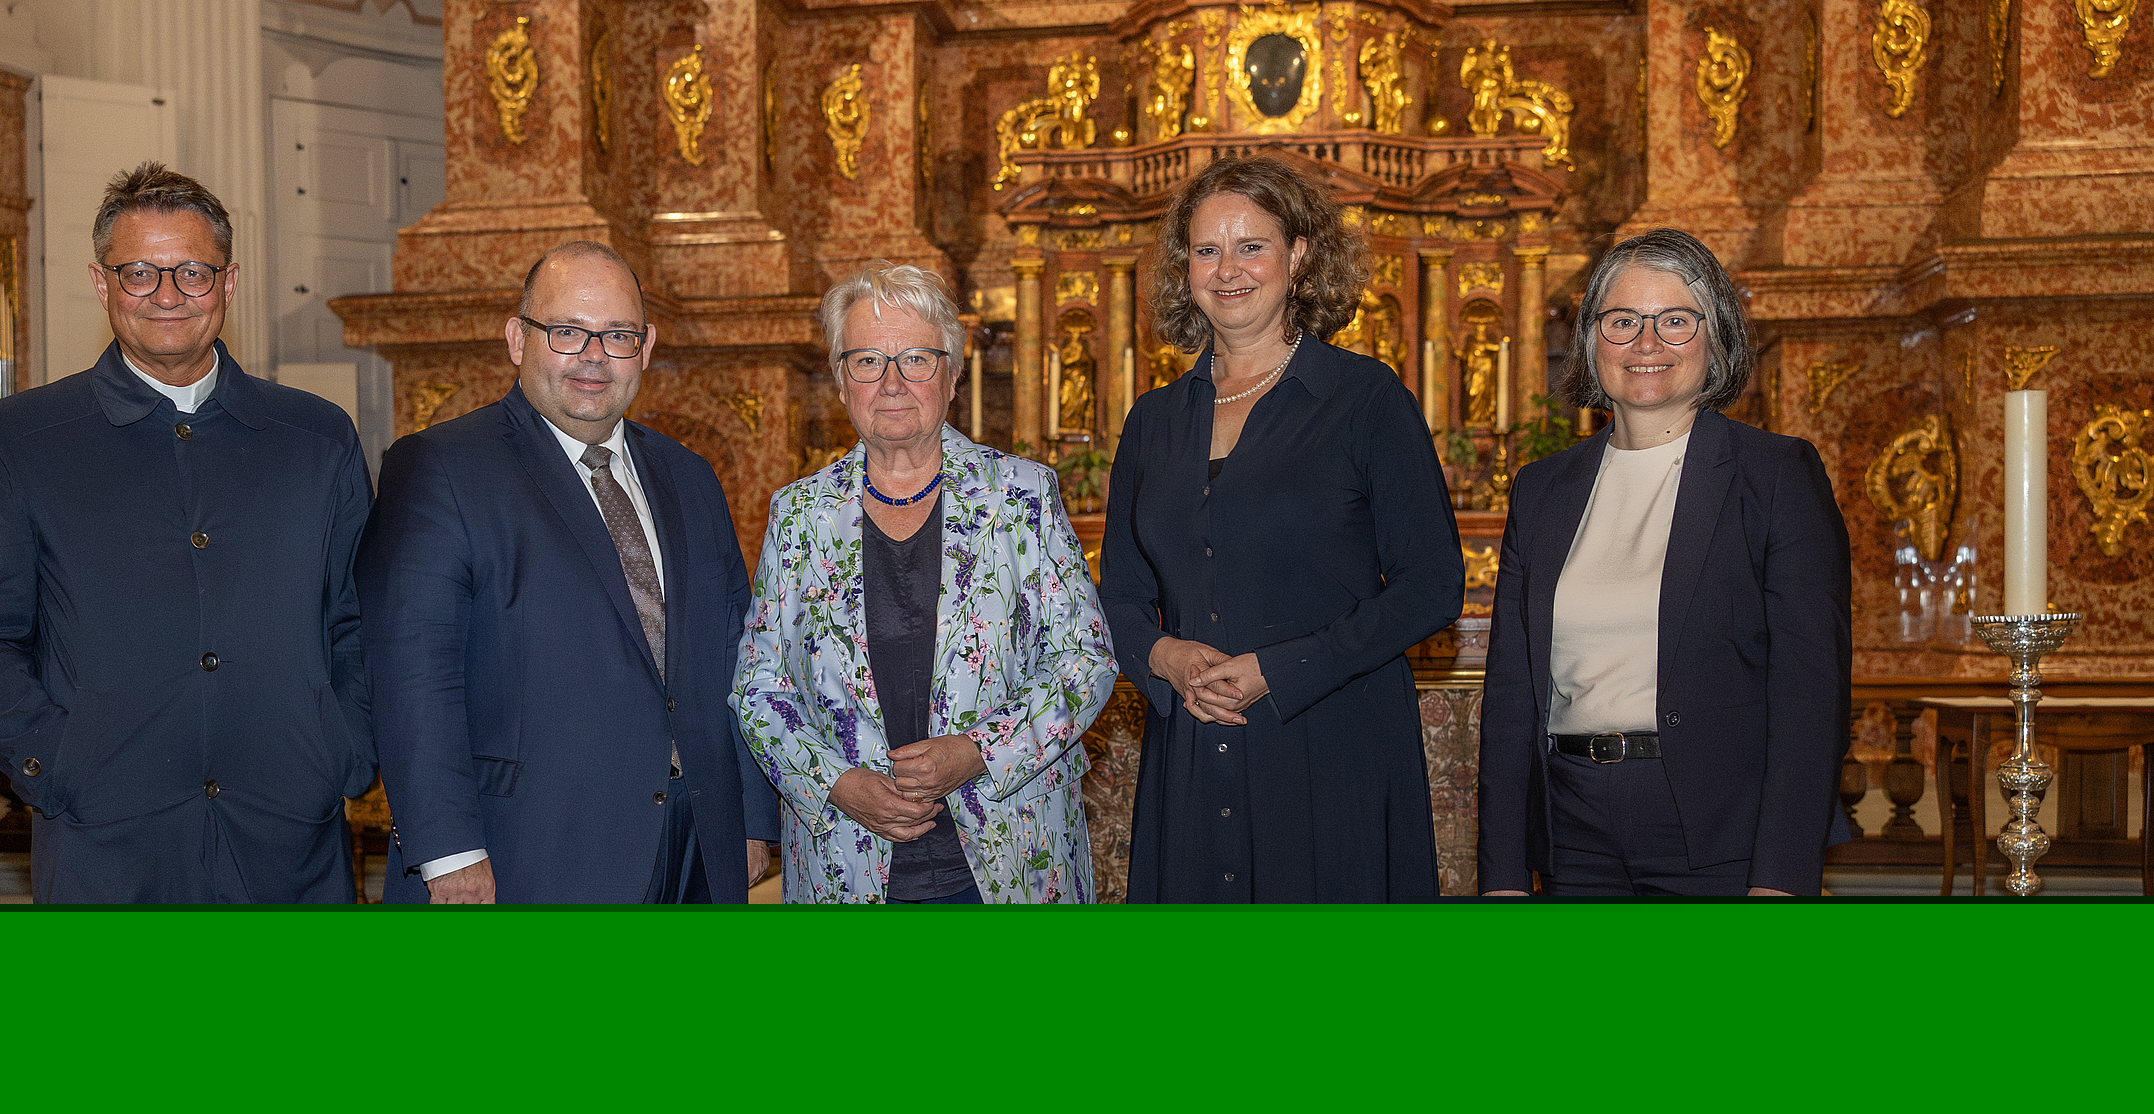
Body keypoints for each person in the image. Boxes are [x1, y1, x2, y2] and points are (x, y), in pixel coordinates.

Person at [0, 162, 374, 903]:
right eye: (138, 273)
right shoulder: (20, 439)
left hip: (289, 843)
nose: (167, 295)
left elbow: (359, 623)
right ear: (101, 283)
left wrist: (343, 753)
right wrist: (54, 765)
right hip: (105, 847)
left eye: (192, 273)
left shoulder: (317, 437)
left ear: (229, 284)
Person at [357, 241, 776, 903]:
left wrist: (750, 816)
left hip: (697, 844)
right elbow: (413, 673)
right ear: (517, 339)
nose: (593, 355)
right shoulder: (441, 468)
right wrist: (448, 853)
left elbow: (735, 654)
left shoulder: (690, 476)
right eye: (567, 331)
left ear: (646, 346)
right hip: (529, 851)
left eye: (617, 334)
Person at [1101, 156, 1463, 902]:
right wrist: (1164, 657)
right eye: (1206, 250)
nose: (1227, 270)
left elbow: (1432, 586)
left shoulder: (1364, 399)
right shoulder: (1153, 421)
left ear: (1298, 256)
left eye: (1251, 247)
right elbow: (1119, 596)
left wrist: (1283, 668)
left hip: (1333, 747)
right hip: (1193, 750)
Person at [1478, 227, 1851, 897]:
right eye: (1622, 321)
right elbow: (1511, 695)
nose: (1646, 343)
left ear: (1717, 337)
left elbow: (1810, 695)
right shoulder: (1542, 490)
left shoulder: (1774, 476)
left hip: (1720, 832)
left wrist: (1781, 880)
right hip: (1572, 833)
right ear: (1591, 340)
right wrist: (1503, 877)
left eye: (1675, 321)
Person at [733, 262, 1115, 903]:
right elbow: (758, 684)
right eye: (867, 361)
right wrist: (835, 783)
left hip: (1012, 858)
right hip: (845, 860)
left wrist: (979, 750)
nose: (892, 383)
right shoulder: (800, 514)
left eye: (916, 359)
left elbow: (1086, 660)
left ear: (953, 375)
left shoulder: (1021, 496)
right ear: (840, 380)